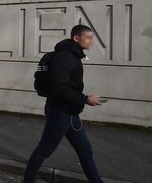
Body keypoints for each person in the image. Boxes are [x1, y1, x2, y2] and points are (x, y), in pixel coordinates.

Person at [23, 25, 103, 183]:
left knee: (85, 150)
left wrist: (81, 100)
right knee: (45, 149)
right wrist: (85, 99)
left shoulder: (73, 56)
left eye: (92, 38)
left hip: (71, 113)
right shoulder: (65, 57)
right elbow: (60, 88)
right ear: (76, 38)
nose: (91, 42)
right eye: (87, 38)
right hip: (60, 112)